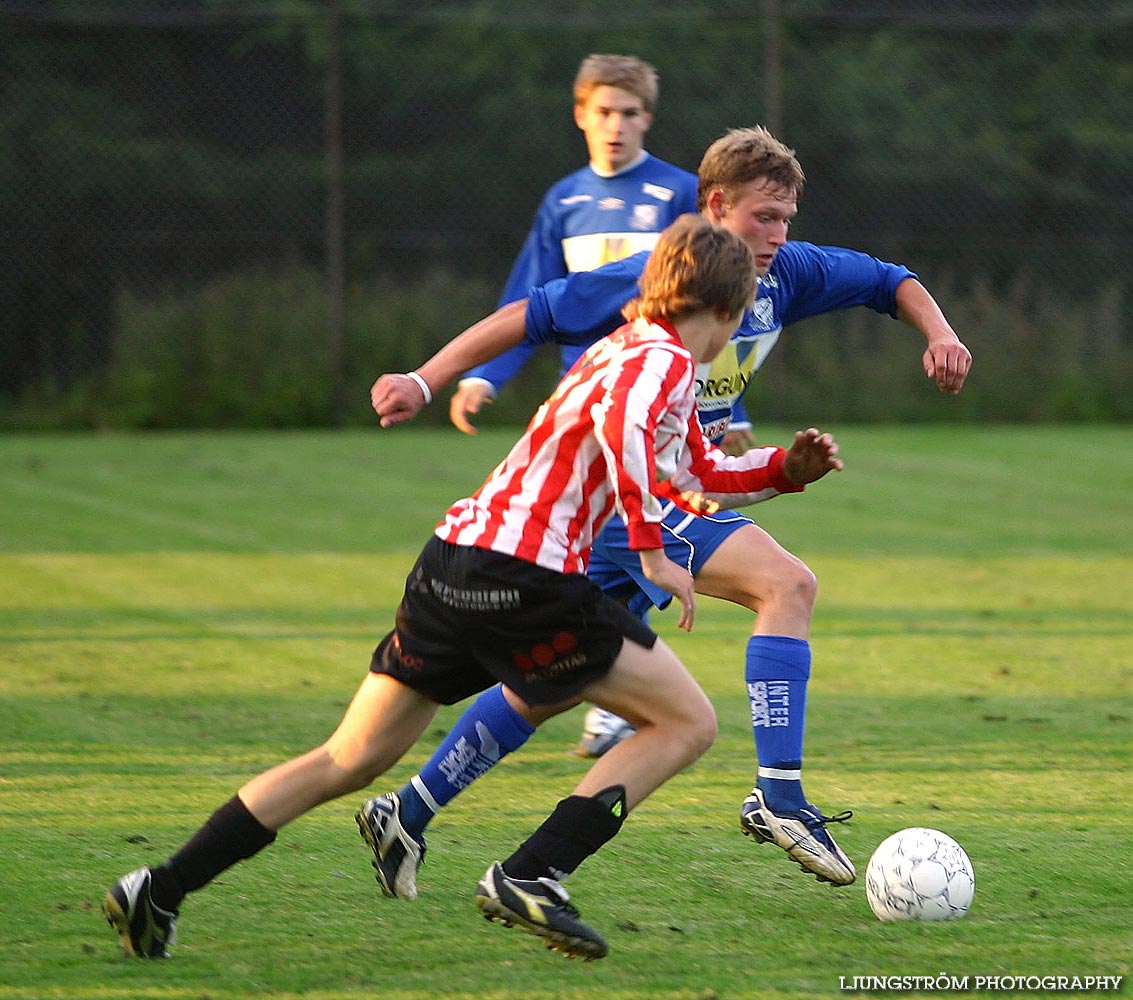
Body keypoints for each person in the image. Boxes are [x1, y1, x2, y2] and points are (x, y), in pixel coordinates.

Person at [101, 215, 844, 962]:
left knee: (348, 759)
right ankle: (531, 875)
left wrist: (783, 471)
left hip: (450, 561)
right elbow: (625, 431)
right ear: (721, 309)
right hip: (522, 577)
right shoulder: (662, 361)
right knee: (685, 724)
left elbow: (691, 472)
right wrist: (650, 552)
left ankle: (159, 888)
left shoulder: (627, 351)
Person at [365, 126, 973, 899]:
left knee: (546, 687)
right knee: (785, 586)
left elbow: (891, 281)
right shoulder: (656, 273)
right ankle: (778, 797)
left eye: (787, 217)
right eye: (764, 217)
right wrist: (424, 379)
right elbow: (530, 314)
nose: (778, 235)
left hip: (647, 500)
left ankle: (407, 811)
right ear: (716, 205)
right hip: (639, 501)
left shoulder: (787, 272)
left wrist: (943, 335)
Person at [460, 53, 697, 758]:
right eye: (603, 112)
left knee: (629, 547)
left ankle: (605, 689)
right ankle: (604, 686)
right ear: (580, 115)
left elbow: (716, 300)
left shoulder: (679, 193)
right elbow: (528, 298)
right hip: (583, 406)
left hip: (656, 405)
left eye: (629, 113)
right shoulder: (563, 200)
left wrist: (721, 397)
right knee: (603, 553)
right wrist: (487, 375)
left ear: (647, 118)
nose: (615, 126)